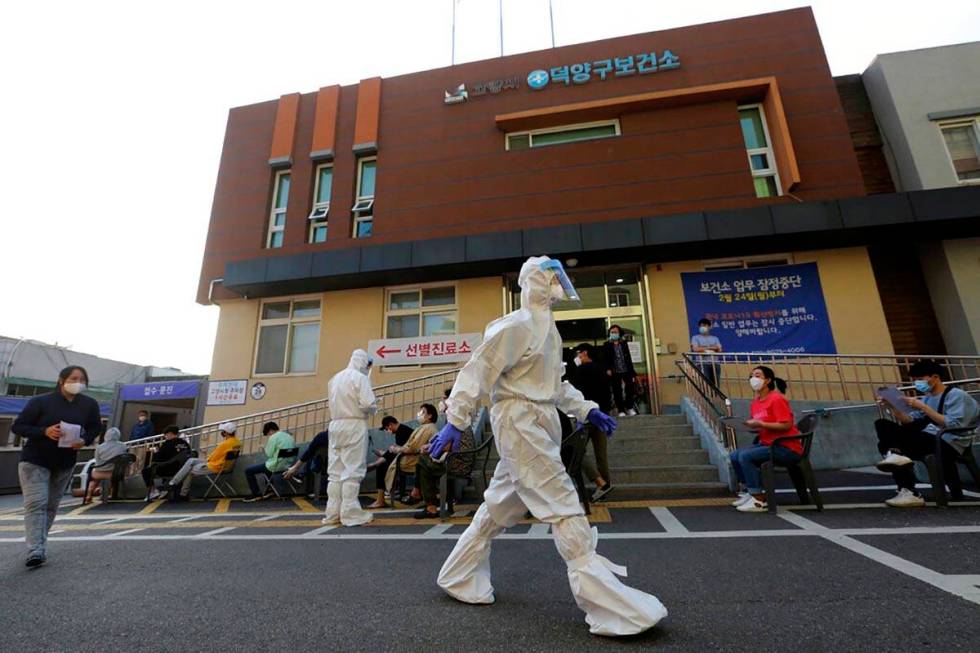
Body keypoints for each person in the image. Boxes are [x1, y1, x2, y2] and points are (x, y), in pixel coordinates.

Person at [428, 255, 667, 636]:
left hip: (538, 419)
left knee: (500, 502)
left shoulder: (548, 329)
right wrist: (455, 421)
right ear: (534, 282)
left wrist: (587, 409)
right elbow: (477, 370)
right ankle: (609, 607)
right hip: (519, 420)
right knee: (562, 501)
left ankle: (458, 574)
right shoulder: (516, 325)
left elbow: (556, 385)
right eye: (551, 278)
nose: (558, 285)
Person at [12, 365, 102, 567]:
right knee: (37, 504)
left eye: (82, 379)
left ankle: (39, 543)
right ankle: (36, 549)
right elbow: (18, 426)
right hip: (35, 460)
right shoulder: (40, 401)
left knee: (51, 505)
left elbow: (96, 426)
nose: (78, 382)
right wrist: (44, 431)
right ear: (62, 380)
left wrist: (85, 440)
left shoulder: (89, 404)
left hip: (65, 462)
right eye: (74, 378)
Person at [875, 359, 979, 507]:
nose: (917, 383)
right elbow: (910, 421)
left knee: (895, 448)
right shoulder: (928, 397)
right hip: (929, 436)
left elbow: (955, 424)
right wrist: (893, 406)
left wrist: (923, 407)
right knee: (883, 425)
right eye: (915, 380)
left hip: (949, 440)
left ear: (935, 377)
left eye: (920, 379)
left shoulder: (956, 395)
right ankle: (895, 457)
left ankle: (908, 489)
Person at [729, 366, 802, 513]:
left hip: (786, 448)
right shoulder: (756, 402)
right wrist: (751, 426)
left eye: (757, 375)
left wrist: (761, 424)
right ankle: (750, 492)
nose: (753, 379)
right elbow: (762, 424)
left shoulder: (776, 399)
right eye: (751, 376)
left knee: (746, 456)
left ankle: (759, 499)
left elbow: (786, 425)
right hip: (767, 444)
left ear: (768, 380)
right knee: (734, 455)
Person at [323, 349, 377, 527]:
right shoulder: (360, 378)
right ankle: (350, 514)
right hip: (354, 424)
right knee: (352, 471)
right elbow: (368, 403)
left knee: (335, 472)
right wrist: (372, 408)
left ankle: (332, 514)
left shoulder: (335, 379)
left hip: (335, 425)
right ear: (363, 362)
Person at [571, 343, 614, 502]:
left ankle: (598, 481)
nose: (577, 357)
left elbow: (575, 392)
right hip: (602, 414)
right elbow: (607, 391)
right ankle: (605, 486)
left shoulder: (581, 370)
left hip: (587, 415)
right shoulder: (601, 369)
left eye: (578, 353)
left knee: (577, 451)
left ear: (585, 353)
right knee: (601, 455)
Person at [166, 422, 241, 501]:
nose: (221, 432)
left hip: (215, 466)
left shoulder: (224, 444)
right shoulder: (237, 442)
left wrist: (205, 461)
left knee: (189, 470)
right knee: (191, 461)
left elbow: (212, 458)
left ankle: (178, 489)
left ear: (226, 433)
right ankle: (174, 485)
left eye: (223, 431)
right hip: (225, 466)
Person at [381, 403, 438, 504]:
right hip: (414, 457)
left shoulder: (427, 428)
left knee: (383, 464)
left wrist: (398, 449)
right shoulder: (425, 427)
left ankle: (382, 497)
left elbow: (412, 447)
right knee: (385, 461)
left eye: (423, 412)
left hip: (413, 459)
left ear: (430, 415)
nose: (419, 414)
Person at [415, 427, 476, 519]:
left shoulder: (454, 426)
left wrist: (429, 448)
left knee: (422, 461)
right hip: (466, 464)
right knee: (426, 467)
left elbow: (444, 446)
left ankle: (428, 504)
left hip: (455, 465)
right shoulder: (465, 426)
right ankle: (421, 494)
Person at [366, 415, 415, 508]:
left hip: (408, 459)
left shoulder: (402, 431)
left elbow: (401, 450)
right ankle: (379, 461)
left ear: (390, 425)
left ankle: (380, 500)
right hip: (405, 457)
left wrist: (388, 452)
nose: (387, 431)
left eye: (386, 428)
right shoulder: (402, 430)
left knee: (382, 465)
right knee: (387, 457)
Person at [243, 421, 297, 502]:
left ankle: (256, 494)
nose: (269, 436)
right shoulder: (289, 436)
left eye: (268, 434)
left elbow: (269, 454)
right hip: (288, 466)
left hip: (275, 465)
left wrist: (264, 448)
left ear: (271, 430)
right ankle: (270, 490)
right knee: (266, 467)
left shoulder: (274, 437)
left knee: (248, 470)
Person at [142, 425, 192, 500]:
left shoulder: (167, 444)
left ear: (170, 433)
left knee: (146, 471)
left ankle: (153, 490)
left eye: (166, 434)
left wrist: (156, 452)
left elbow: (159, 458)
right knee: (164, 465)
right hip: (182, 469)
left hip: (168, 469)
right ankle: (164, 489)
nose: (165, 436)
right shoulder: (184, 443)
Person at [83, 427, 129, 504]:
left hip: (99, 472)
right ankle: (110, 493)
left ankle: (89, 495)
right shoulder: (123, 446)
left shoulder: (99, 447)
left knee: (94, 477)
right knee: (112, 478)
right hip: (115, 473)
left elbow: (97, 460)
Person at [603, 324, 638, 417]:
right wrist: (607, 369)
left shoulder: (623, 343)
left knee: (630, 388)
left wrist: (632, 370)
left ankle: (629, 407)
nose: (614, 333)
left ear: (619, 333)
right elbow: (605, 359)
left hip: (626, 369)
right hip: (615, 371)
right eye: (612, 332)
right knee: (617, 391)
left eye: (616, 332)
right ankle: (621, 410)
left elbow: (628, 357)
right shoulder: (607, 345)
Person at [283, 428, 330, 497]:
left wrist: (295, 467)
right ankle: (302, 475)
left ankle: (302, 476)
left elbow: (309, 452)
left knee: (311, 456)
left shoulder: (322, 436)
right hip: (342, 466)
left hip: (323, 466)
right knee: (311, 457)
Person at [690, 318, 723, 387]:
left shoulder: (715, 338)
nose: (702, 327)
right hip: (702, 363)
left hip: (715, 363)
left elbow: (719, 349)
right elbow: (695, 349)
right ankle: (706, 397)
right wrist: (711, 348)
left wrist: (703, 348)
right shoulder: (695, 338)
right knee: (704, 383)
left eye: (704, 325)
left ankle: (715, 397)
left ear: (709, 327)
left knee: (716, 384)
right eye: (701, 326)